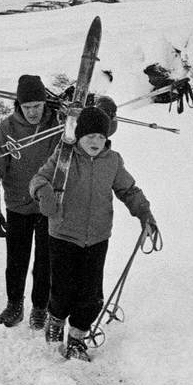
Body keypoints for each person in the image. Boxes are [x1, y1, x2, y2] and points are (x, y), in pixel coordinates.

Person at [30, 106, 157, 362]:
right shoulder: (64, 156)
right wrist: (43, 191)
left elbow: (128, 190)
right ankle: (55, 320)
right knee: (63, 290)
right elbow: (38, 179)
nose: (95, 142)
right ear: (79, 135)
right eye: (90, 136)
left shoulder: (112, 161)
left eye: (100, 136)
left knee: (91, 295)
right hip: (64, 234)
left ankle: (76, 338)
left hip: (98, 237)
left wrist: (144, 214)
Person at [0, 75, 59, 329]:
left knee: (45, 261)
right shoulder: (6, 130)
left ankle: (40, 308)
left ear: (45, 103)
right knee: (16, 260)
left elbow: (95, 133)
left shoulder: (59, 124)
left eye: (38, 106)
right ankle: (14, 305)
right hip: (17, 205)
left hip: (49, 205)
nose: (33, 112)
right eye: (27, 107)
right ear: (19, 106)